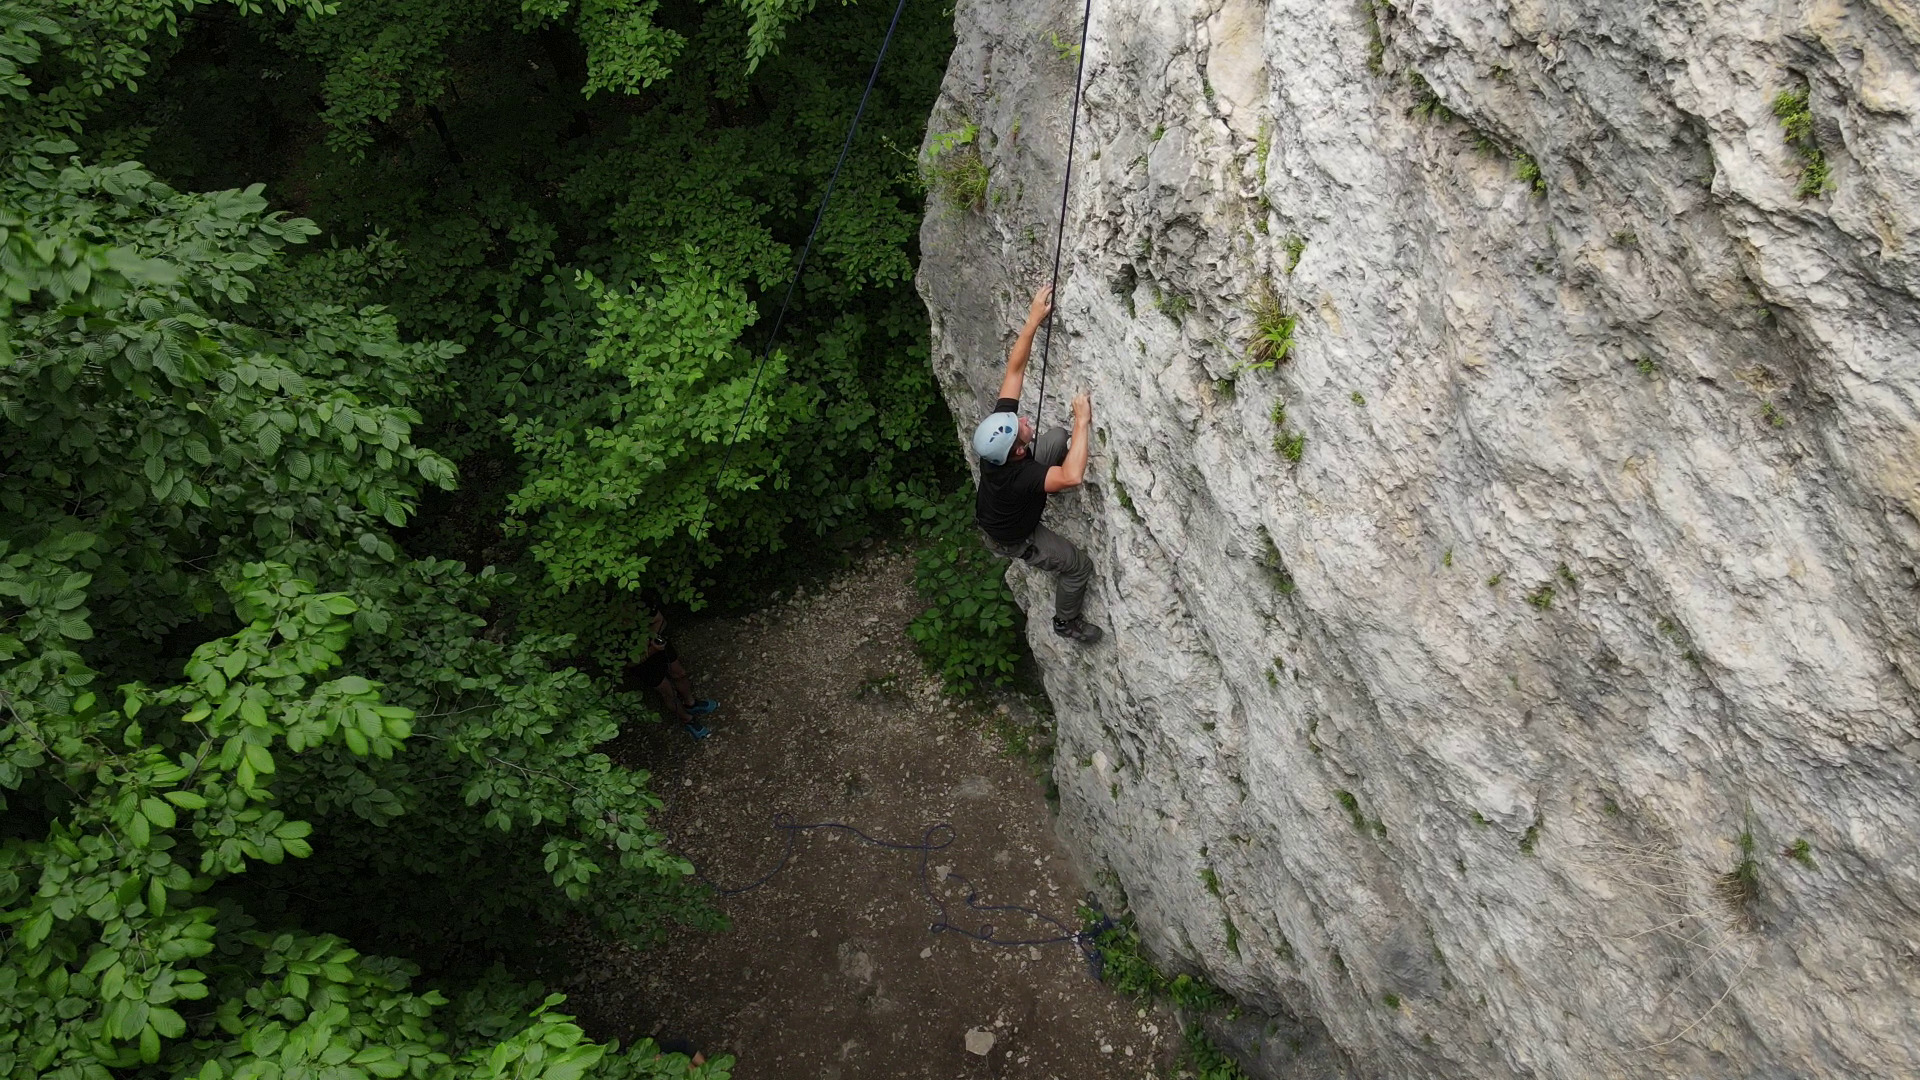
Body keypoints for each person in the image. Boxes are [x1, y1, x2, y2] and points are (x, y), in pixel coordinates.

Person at [971, 283, 1103, 645]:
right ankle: (1066, 623)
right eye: (1022, 426)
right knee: (1078, 566)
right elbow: (1073, 476)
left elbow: (1015, 371)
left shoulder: (1001, 439)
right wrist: (1082, 420)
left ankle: (1049, 487)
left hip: (1008, 503)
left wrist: (1032, 319)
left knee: (1056, 438)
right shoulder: (1019, 476)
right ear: (1016, 451)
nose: (1025, 418)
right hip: (1014, 535)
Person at [626, 611, 719, 738]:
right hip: (640, 661)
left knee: (680, 673)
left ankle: (691, 703)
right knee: (668, 692)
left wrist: (651, 639)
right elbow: (627, 663)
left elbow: (660, 619)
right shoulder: (609, 632)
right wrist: (650, 650)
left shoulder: (637, 602)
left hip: (656, 644)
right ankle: (687, 719)